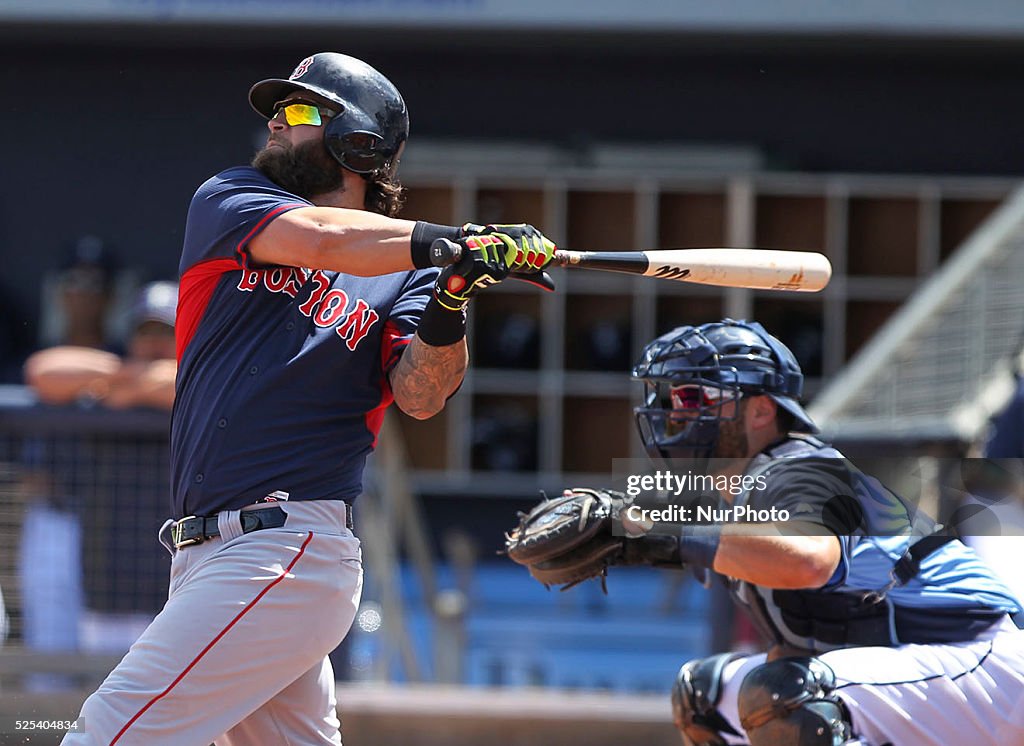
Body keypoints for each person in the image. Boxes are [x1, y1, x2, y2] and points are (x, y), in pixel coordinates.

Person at [63, 52, 555, 745]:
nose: (274, 123)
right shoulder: (231, 199)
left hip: (285, 547)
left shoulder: (407, 277)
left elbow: (421, 394)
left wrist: (452, 294)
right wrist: (450, 243)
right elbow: (325, 239)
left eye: (297, 113)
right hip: (209, 558)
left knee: (107, 734)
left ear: (357, 143)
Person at [514, 319, 1024, 745]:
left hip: (982, 662)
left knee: (791, 696)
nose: (673, 414)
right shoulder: (733, 492)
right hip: (918, 668)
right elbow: (799, 635)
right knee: (706, 694)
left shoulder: (802, 468)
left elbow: (808, 560)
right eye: (671, 399)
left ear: (761, 409)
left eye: (693, 397)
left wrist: (655, 532)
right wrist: (635, 536)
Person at [25, 280, 178, 410]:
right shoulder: (119, 371)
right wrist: (129, 373)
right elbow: (41, 372)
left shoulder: (195, 374)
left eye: (167, 332)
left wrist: (133, 392)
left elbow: (185, 389)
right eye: (145, 332)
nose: (155, 341)